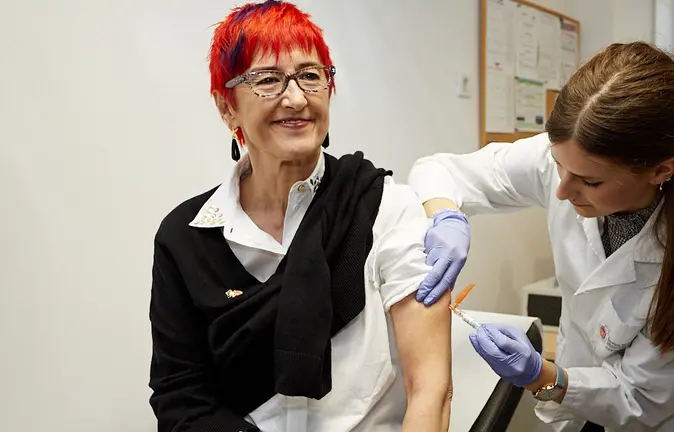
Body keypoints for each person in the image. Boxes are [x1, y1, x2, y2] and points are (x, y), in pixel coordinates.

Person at [409, 42, 674, 431]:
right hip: (586, 389)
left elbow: (640, 400)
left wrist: (541, 375)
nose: (562, 191)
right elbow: (439, 170)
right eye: (558, 165)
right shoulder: (572, 156)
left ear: (660, 171)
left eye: (590, 182)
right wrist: (446, 216)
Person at [148, 2, 452, 431]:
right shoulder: (186, 237)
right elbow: (181, 396)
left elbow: (431, 391)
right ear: (227, 107)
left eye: (310, 76)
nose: (295, 98)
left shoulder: (385, 210)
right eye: (267, 80)